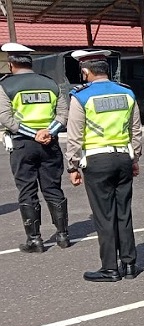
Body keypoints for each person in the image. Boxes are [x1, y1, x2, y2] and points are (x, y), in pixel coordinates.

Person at [65, 49, 143, 282]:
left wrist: (72, 165)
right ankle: (129, 264)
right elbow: (135, 129)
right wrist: (135, 158)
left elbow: (75, 134)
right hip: (123, 158)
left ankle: (110, 268)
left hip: (97, 160)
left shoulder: (81, 96)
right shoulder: (127, 92)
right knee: (124, 212)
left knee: (104, 215)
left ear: (86, 71)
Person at [0, 42, 70, 253]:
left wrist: (33, 135)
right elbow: (63, 114)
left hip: (23, 145)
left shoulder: (5, 86)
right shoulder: (50, 83)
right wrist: (47, 132)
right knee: (53, 188)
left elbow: (5, 117)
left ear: (11, 64)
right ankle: (63, 235)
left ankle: (35, 239)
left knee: (27, 190)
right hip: (51, 142)